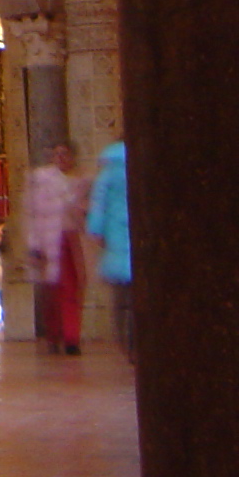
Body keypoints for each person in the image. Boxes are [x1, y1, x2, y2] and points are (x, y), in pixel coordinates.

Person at [21, 139, 89, 355]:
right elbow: (33, 214)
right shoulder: (42, 181)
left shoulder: (79, 182)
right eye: (57, 154)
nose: (61, 159)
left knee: (70, 288)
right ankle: (54, 334)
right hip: (48, 240)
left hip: (69, 239)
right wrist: (34, 244)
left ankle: (71, 338)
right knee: (51, 292)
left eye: (65, 154)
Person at [86, 137, 133, 359]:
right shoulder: (145, 166)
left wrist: (97, 231)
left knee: (121, 300)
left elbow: (98, 206)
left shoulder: (108, 173)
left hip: (116, 243)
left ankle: (126, 343)